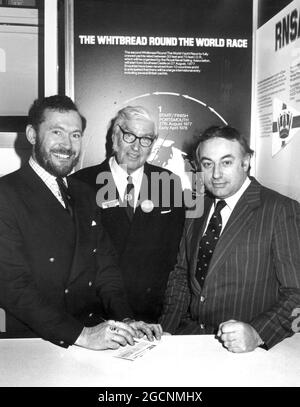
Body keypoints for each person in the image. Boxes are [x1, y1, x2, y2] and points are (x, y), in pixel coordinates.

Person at [0, 95, 162, 350]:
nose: (67, 145)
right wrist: (82, 336)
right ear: (32, 134)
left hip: (91, 333)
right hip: (38, 342)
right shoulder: (6, 194)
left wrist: (125, 318)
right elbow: (13, 288)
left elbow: (105, 267)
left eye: (75, 135)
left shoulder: (84, 192)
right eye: (57, 132)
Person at [159, 125, 300, 352]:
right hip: (190, 338)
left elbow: (297, 293)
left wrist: (257, 333)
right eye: (207, 164)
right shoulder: (197, 207)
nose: (215, 174)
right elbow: (181, 276)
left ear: (245, 162)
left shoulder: (280, 210)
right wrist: (167, 328)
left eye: (226, 162)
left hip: (246, 352)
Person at [72, 106, 185, 323]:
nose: (136, 146)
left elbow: (177, 255)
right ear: (115, 137)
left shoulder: (169, 184)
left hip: (154, 315)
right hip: (99, 316)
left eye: (146, 139)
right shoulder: (81, 184)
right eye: (130, 135)